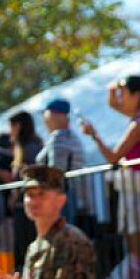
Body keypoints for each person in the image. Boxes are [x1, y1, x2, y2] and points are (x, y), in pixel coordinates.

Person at [82, 75, 140, 276]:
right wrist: (114, 89)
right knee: (137, 246)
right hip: (136, 190)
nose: (120, 98)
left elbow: (113, 157)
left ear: (136, 96)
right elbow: (113, 104)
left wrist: (94, 135)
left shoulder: (139, 125)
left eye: (124, 93)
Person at [38, 99, 93, 234]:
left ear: (55, 115)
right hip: (75, 198)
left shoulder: (58, 138)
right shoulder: (74, 137)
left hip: (62, 200)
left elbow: (55, 171)